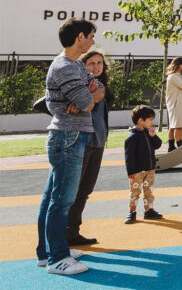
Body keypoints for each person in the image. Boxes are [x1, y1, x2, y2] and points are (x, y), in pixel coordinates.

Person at [36, 18, 104, 276]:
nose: (93, 41)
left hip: (71, 136)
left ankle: (48, 252)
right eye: (91, 36)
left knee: (52, 198)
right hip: (68, 137)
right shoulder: (65, 67)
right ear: (80, 38)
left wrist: (89, 96)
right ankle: (57, 257)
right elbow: (87, 102)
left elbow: (100, 91)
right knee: (61, 201)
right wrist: (86, 98)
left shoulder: (76, 64)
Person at [65, 49, 112, 247]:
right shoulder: (79, 85)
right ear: (83, 66)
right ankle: (62, 233)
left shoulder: (102, 87)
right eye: (91, 63)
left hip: (98, 142)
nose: (96, 66)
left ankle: (73, 232)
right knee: (72, 190)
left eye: (99, 63)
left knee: (85, 190)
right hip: (81, 142)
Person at [124, 105, 163, 224]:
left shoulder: (148, 134)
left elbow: (158, 145)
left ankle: (149, 211)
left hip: (149, 170)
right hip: (137, 172)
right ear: (141, 120)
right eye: (150, 119)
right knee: (135, 192)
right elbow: (129, 158)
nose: (152, 122)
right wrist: (130, 172)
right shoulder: (132, 138)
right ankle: (132, 212)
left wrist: (153, 136)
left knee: (149, 191)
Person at [164, 57, 182, 152]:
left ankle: (171, 147)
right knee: (178, 126)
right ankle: (180, 147)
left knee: (173, 126)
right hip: (176, 105)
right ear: (179, 65)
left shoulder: (176, 76)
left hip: (175, 105)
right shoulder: (174, 76)